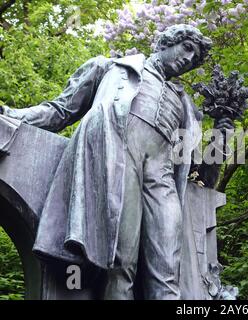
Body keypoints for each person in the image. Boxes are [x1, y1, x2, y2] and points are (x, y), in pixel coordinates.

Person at [0, 24, 234, 300]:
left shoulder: (186, 108)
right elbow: (60, 111)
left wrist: (221, 136)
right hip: (118, 162)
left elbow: (202, 176)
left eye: (194, 58)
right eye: (186, 48)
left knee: (169, 267)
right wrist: (10, 114)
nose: (188, 59)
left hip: (162, 177)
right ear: (166, 42)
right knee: (121, 263)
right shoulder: (110, 68)